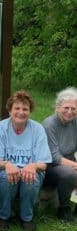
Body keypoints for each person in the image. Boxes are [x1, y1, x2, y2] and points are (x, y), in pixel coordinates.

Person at [0, 91, 52, 231]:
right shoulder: (0, 128)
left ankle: (26, 217)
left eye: (25, 109)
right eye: (17, 108)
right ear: (10, 110)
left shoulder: (38, 129)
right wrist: (8, 165)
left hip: (31, 170)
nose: (21, 112)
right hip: (3, 170)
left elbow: (44, 164)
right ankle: (4, 216)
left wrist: (33, 165)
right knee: (7, 177)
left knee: (31, 178)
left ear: (30, 111)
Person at [42, 87, 77, 222]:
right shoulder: (49, 125)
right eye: (66, 108)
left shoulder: (75, 123)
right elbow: (55, 157)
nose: (70, 112)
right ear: (57, 107)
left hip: (69, 162)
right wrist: (75, 165)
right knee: (70, 173)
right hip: (50, 166)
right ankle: (64, 208)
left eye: (73, 109)